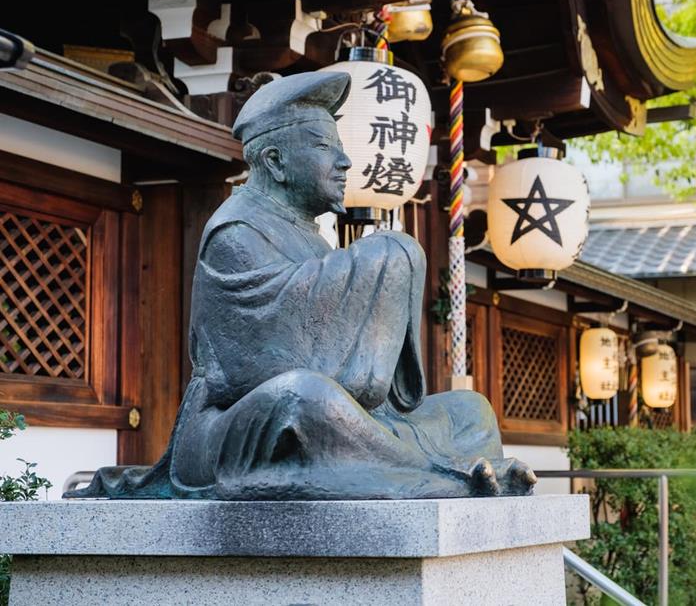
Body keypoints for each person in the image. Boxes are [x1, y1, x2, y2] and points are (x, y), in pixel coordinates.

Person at [68, 71, 535, 500]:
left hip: (327, 409)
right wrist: (381, 259)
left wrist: (372, 268)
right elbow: (269, 367)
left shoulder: (308, 235)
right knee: (306, 398)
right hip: (228, 431)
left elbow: (354, 373)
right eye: (324, 147)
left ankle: (437, 470)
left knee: (469, 411)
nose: (344, 161)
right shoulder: (237, 230)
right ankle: (449, 477)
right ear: (276, 161)